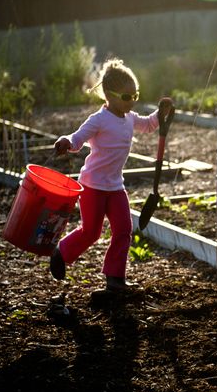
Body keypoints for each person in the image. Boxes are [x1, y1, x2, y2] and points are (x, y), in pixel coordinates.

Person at [50, 58, 173, 293]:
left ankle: (114, 279)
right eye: (127, 97)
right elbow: (78, 138)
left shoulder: (130, 118)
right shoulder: (99, 120)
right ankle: (61, 252)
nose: (131, 101)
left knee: (123, 230)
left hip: (116, 187)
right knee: (91, 232)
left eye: (135, 96)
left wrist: (160, 113)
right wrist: (67, 141)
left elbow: (148, 124)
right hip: (92, 186)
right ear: (109, 95)